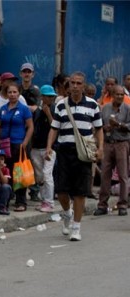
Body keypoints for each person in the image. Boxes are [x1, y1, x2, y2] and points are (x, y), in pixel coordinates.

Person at [46, 71, 104, 241]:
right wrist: (49, 146)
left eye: (79, 83)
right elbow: (54, 128)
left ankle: (76, 228)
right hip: (64, 151)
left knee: (80, 192)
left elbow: (99, 129)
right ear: (68, 85)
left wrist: (100, 148)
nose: (76, 86)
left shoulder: (92, 105)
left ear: (84, 86)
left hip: (83, 154)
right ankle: (67, 213)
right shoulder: (61, 105)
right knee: (62, 191)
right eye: (73, 83)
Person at [0, 84, 34, 212]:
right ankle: (6, 199)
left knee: (19, 173)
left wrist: (25, 142)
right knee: (7, 170)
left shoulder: (24, 109)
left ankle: (21, 201)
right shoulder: (3, 109)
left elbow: (30, 127)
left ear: (19, 94)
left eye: (14, 92)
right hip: (5, 144)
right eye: (10, 92)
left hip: (18, 144)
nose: (12, 94)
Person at [94, 85, 130, 216]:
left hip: (122, 143)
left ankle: (123, 204)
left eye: (122, 95)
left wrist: (119, 125)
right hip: (108, 143)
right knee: (105, 175)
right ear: (112, 95)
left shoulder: (127, 109)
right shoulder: (105, 109)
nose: (120, 97)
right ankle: (102, 204)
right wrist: (106, 127)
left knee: (123, 175)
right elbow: (98, 126)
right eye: (117, 94)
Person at [31, 85, 57, 213]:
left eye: (51, 96)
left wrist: (48, 114)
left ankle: (49, 202)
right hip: (36, 146)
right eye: (47, 96)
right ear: (42, 97)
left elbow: (55, 127)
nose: (50, 98)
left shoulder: (55, 109)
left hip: (50, 148)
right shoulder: (37, 111)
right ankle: (44, 200)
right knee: (39, 176)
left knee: (47, 175)